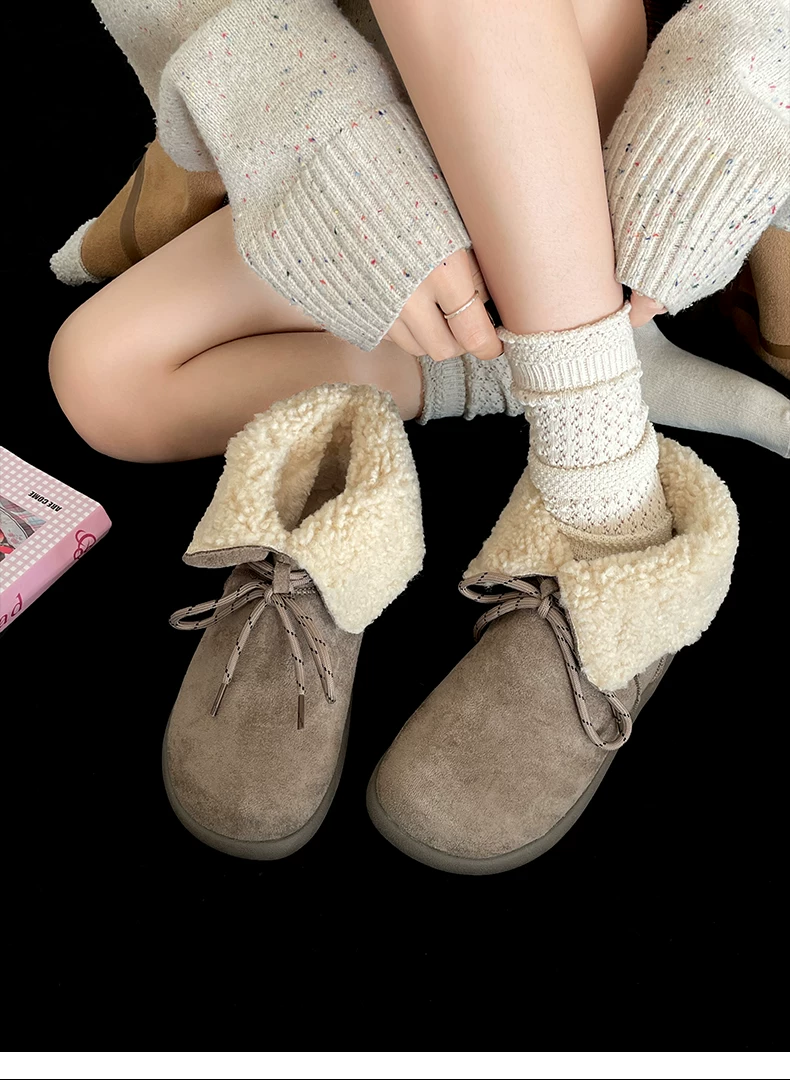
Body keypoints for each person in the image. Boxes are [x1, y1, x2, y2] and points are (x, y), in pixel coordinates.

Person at [48, 0, 787, 871]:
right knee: (100, 379)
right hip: (358, 107)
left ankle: (606, 497)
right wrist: (325, 145)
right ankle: (565, 366)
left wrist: (741, 102)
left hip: (582, 121)